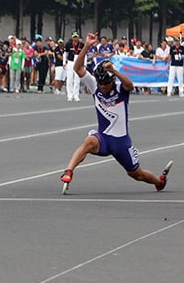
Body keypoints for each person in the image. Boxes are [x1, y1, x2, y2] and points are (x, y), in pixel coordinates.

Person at [60, 33, 173, 195]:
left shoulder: (120, 90)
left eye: (106, 83)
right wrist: (86, 46)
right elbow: (78, 68)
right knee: (88, 142)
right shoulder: (95, 86)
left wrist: (114, 70)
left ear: (112, 80)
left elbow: (130, 85)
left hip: (121, 143)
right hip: (104, 138)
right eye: (100, 84)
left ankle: (158, 182)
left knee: (136, 174)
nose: (103, 87)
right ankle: (68, 171)